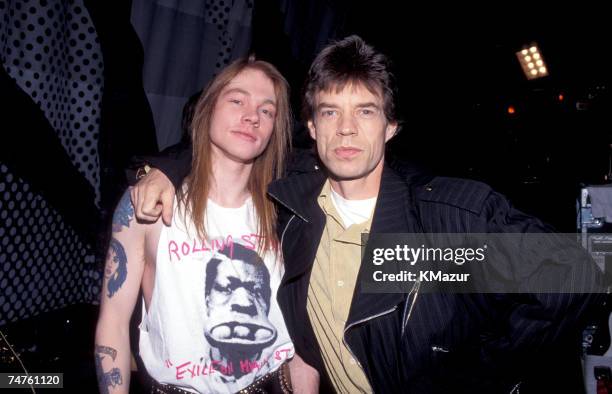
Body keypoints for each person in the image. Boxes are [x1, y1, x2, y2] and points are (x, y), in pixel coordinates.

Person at [130, 36, 604, 393]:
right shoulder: (294, 206)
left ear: (392, 126)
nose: (348, 130)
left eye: (367, 111)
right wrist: (167, 168)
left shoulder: (439, 220)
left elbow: (573, 273)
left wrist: (478, 371)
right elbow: (232, 144)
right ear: (311, 127)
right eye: (331, 113)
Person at [95, 57, 309, 394]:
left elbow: (302, 332)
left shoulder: (287, 208)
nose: (252, 116)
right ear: (207, 110)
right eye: (237, 100)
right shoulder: (148, 204)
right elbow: (114, 323)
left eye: (267, 111)